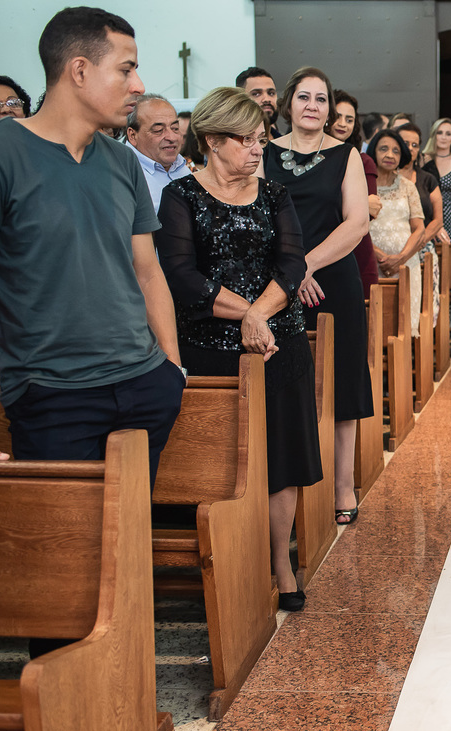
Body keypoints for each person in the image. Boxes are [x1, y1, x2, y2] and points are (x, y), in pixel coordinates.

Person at [0, 6, 183, 475]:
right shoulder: (6, 153)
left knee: (133, 538)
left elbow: (147, 271)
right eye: (126, 68)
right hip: (52, 393)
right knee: (66, 546)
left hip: (143, 384)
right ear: (79, 70)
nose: (138, 85)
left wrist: (172, 372)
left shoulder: (121, 164)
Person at [156, 87, 320, 611]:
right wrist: (245, 314)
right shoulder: (180, 196)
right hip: (211, 352)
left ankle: (279, 562)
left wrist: (260, 313)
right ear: (212, 140)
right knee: (224, 465)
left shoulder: (275, 194)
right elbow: (181, 275)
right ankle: (231, 563)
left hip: (279, 344)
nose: (257, 149)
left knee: (284, 460)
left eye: (260, 138)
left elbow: (292, 263)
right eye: (246, 140)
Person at [263, 66, 372, 526]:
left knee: (344, 380)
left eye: (321, 99)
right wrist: (287, 271)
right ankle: (288, 482)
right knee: (288, 381)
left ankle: (343, 483)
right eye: (304, 97)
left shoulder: (344, 154)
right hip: (275, 280)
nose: (313, 106)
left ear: (330, 108)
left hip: (332, 278)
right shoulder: (264, 152)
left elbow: (356, 222)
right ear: (289, 104)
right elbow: (257, 215)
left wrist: (305, 265)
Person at [368, 129, 427, 333]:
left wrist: (401, 257)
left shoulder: (408, 187)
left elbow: (419, 228)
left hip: (406, 264)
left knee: (402, 323)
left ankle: (403, 362)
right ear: (373, 151)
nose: (390, 155)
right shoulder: (363, 185)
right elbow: (354, 224)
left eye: (396, 151)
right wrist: (379, 255)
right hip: (372, 261)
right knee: (373, 325)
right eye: (384, 149)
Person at [330, 89, 379, 296]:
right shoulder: (309, 159)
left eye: (349, 119)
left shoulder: (363, 160)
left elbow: (371, 209)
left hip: (356, 248)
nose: (343, 124)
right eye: (338, 117)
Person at [394, 123, 441, 323]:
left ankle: (422, 334)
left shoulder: (427, 179)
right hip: (393, 243)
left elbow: (438, 219)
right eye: (406, 143)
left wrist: (420, 241)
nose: (411, 149)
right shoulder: (384, 178)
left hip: (422, 243)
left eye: (415, 145)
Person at [124, 93, 190, 212]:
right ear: (133, 135)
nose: (172, 137)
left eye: (175, 128)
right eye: (158, 130)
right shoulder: (122, 175)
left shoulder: (182, 167)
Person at [421, 117, 451, 244]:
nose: (443, 137)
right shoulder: (424, 159)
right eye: (440, 133)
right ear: (434, 135)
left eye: (448, 134)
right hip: (427, 217)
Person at [235, 66, 280, 138]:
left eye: (271, 93)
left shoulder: (285, 144)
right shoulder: (234, 143)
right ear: (240, 99)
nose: (266, 99)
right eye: (256, 94)